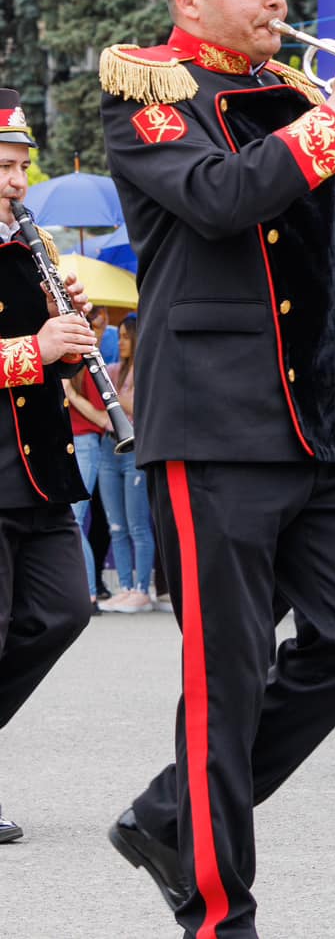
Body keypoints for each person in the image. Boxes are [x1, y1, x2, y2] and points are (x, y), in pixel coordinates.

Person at [98, 0, 335, 934]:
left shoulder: (290, 91)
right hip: (218, 420)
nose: (277, 2)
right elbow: (218, 197)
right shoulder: (149, 90)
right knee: (226, 674)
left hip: (324, 419)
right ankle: (214, 907)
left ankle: (171, 814)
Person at [0, 87, 102, 843]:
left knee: (65, 609)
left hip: (39, 466)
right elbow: (29, 355)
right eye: (4, 165)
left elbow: (53, 370)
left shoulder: (32, 246)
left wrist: (74, 335)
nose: (16, 181)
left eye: (22, 165)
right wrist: (39, 346)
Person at [84, 316, 152, 613]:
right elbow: (100, 396)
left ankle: (141, 589)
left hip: (136, 449)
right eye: (120, 336)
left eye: (126, 337)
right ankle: (125, 586)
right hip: (110, 448)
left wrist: (114, 394)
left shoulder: (147, 371)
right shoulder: (112, 369)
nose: (121, 342)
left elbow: (137, 407)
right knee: (116, 526)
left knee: (138, 525)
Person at [62, 307, 112, 599]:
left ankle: (89, 592)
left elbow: (103, 417)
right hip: (69, 442)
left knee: (75, 521)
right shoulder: (71, 361)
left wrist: (71, 394)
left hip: (86, 443)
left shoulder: (91, 365)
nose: (99, 332)